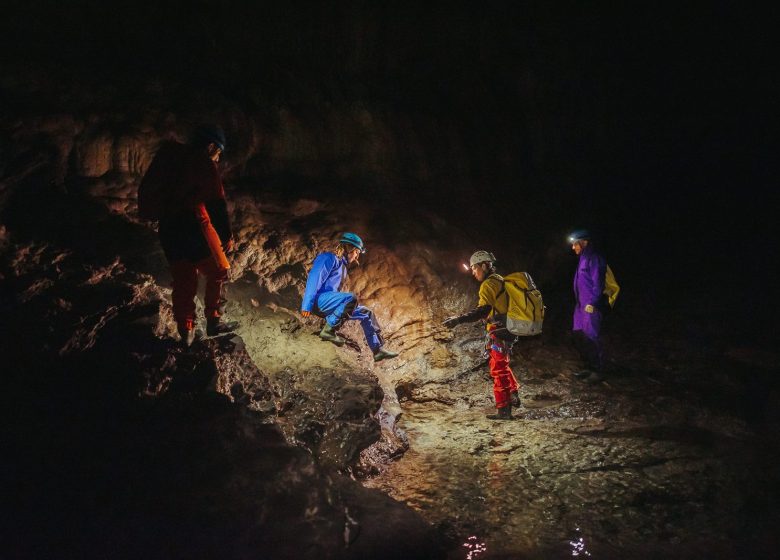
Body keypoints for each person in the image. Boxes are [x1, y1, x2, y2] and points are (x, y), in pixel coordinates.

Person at [142, 124, 239, 346]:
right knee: (219, 269)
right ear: (211, 145)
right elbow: (216, 203)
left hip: (168, 229)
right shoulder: (202, 162)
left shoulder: (171, 159)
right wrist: (226, 236)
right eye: (218, 152)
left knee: (184, 279)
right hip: (193, 225)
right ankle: (214, 321)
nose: (217, 158)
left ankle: (186, 333)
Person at [442, 251, 521, 420]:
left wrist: (458, 320)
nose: (473, 272)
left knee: (498, 369)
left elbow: (482, 310)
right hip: (510, 327)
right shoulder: (500, 279)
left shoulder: (487, 285)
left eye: (475, 268)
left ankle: (504, 410)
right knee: (501, 363)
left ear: (485, 266)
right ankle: (513, 393)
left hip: (499, 331)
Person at [300, 233, 399, 362]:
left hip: (329, 304)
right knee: (350, 298)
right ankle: (329, 331)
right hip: (319, 301)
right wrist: (307, 305)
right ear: (349, 248)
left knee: (366, 313)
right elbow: (314, 279)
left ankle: (377, 350)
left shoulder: (343, 268)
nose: (357, 256)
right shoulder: (329, 258)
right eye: (356, 252)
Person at [568, 229, 607, 383]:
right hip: (580, 305)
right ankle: (588, 367)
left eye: (574, 244)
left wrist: (593, 302)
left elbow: (598, 283)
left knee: (592, 337)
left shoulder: (594, 258)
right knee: (579, 335)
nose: (573, 248)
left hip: (590, 305)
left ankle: (598, 370)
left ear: (584, 242)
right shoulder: (583, 258)